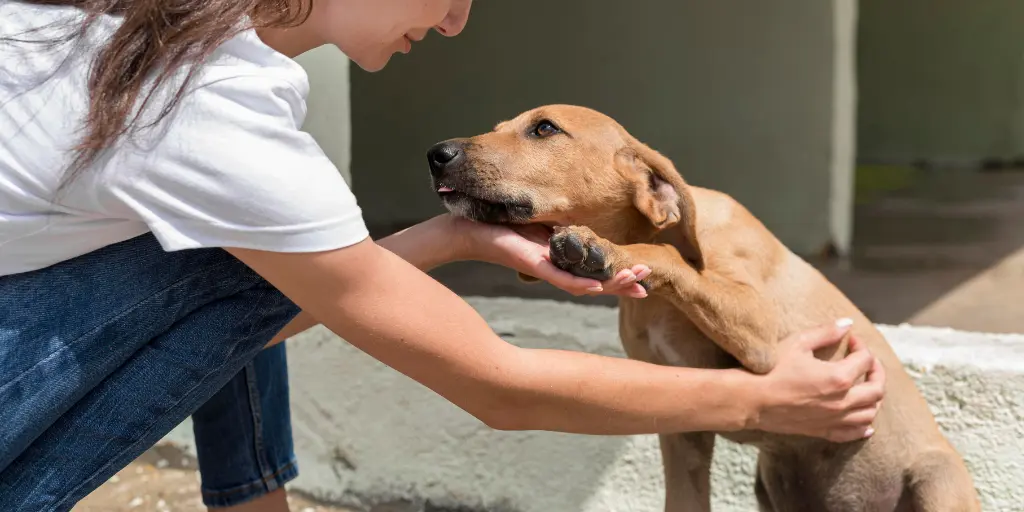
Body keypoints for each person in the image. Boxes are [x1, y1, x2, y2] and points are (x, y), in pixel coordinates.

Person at [0, 1, 886, 511]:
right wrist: (766, 398)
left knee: (260, 253)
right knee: (245, 254)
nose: (459, 19)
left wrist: (457, 235)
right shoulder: (208, 114)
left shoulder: (141, 35)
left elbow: (282, 301)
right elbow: (496, 385)